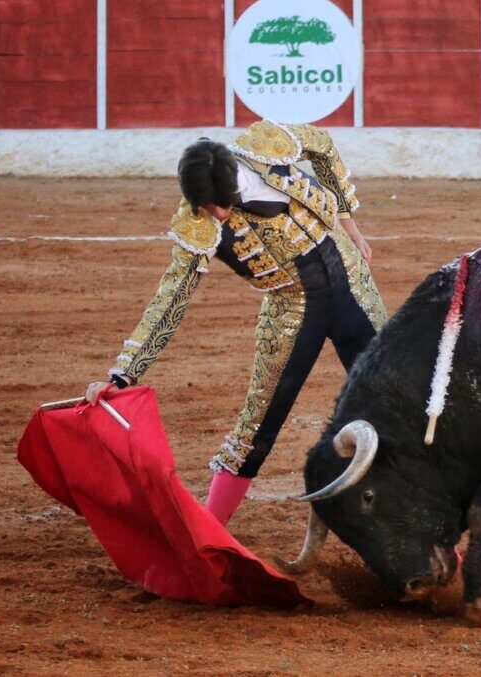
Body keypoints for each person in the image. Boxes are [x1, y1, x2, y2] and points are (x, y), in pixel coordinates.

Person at [85, 119, 388, 526]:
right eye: (208, 207)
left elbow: (323, 145)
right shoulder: (199, 223)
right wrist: (123, 374)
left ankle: (424, 520)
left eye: (220, 202)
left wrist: (349, 219)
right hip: (294, 311)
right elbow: (172, 296)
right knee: (258, 424)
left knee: (394, 402)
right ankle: (210, 531)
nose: (219, 213)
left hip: (353, 284)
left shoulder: (269, 146)